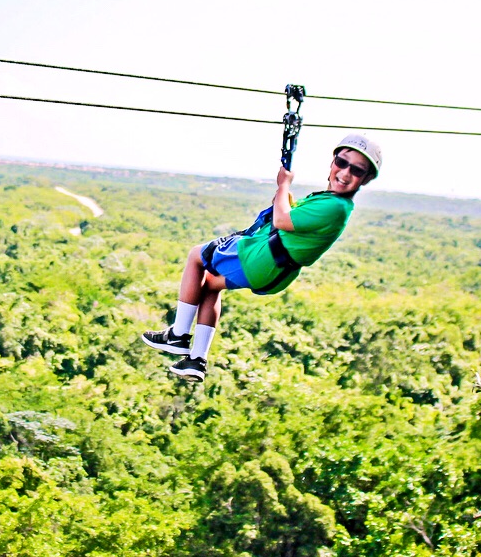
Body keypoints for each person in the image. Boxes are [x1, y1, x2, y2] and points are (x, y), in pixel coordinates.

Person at [141, 133, 382, 382]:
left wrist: (284, 184)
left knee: (196, 257)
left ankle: (178, 335)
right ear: (333, 163)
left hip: (261, 257)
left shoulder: (336, 206)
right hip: (275, 271)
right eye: (342, 163)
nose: (345, 172)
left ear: (366, 179)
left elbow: (281, 220)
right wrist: (282, 197)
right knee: (210, 284)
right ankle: (197, 360)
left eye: (356, 170)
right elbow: (292, 215)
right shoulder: (331, 201)